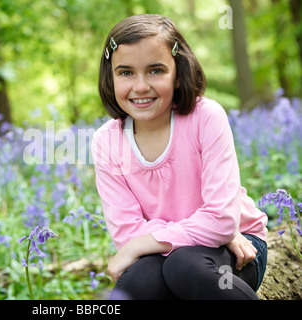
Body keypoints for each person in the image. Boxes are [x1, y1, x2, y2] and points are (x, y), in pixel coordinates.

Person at [91, 14, 268, 300]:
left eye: (155, 70)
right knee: (137, 284)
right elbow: (127, 233)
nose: (140, 86)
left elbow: (222, 220)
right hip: (165, 253)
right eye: (125, 73)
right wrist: (202, 231)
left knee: (185, 267)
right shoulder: (106, 141)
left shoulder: (205, 117)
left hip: (238, 250)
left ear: (178, 71)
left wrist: (142, 245)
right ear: (109, 77)